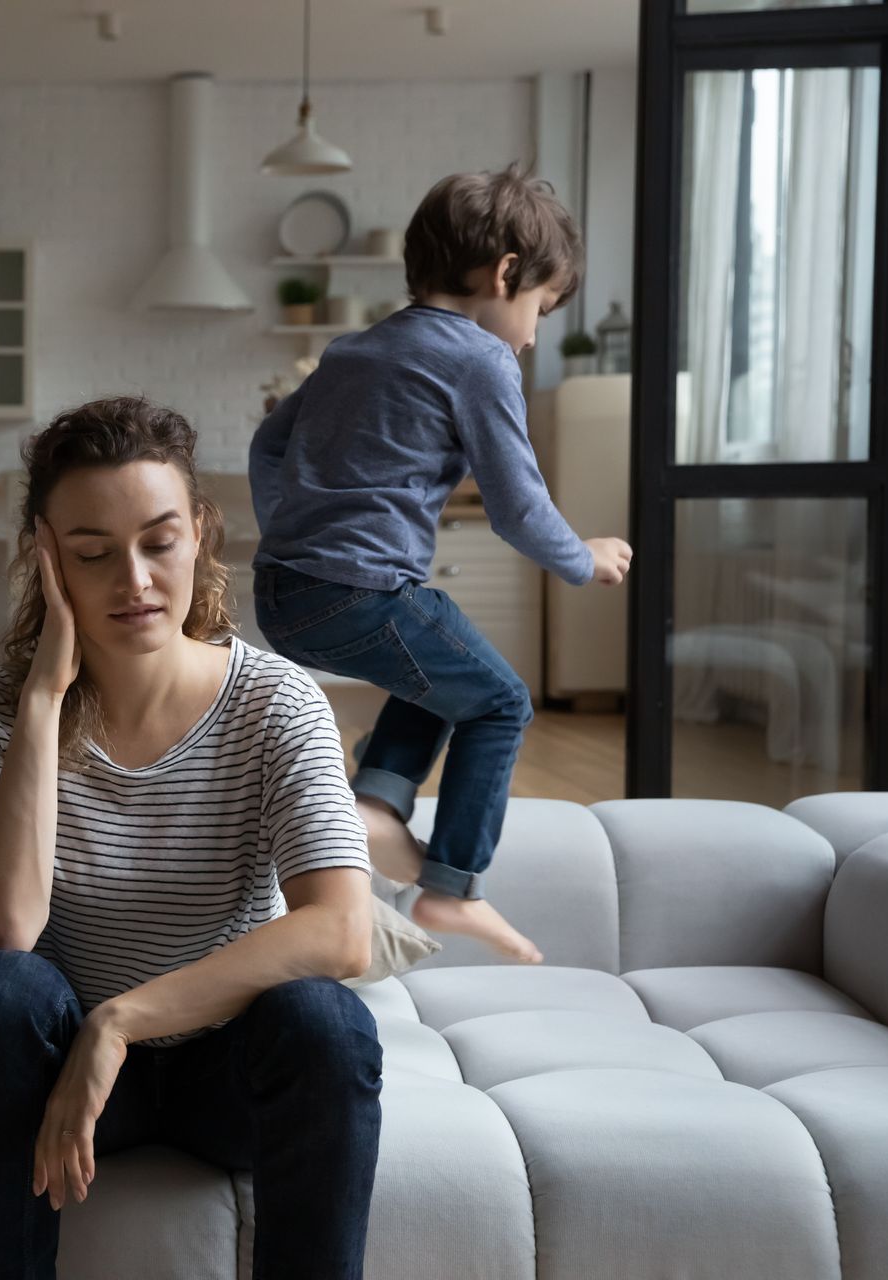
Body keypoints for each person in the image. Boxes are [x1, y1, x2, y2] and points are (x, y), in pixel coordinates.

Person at [0, 396, 382, 1280]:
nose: (134, 581)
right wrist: (41, 701)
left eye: (159, 542)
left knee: (324, 1020)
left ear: (201, 533)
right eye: (94, 554)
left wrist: (123, 1021)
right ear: (45, 555)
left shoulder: (277, 702)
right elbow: (7, 928)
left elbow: (341, 932)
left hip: (225, 1072)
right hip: (71, 1082)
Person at [251, 165, 633, 964]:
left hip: (286, 592)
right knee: (499, 701)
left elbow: (268, 444)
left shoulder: (353, 348)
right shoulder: (480, 359)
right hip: (358, 590)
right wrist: (581, 559)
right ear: (502, 275)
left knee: (442, 662)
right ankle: (451, 887)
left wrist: (289, 529)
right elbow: (518, 506)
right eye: (538, 309)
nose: (531, 336)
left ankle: (378, 805)